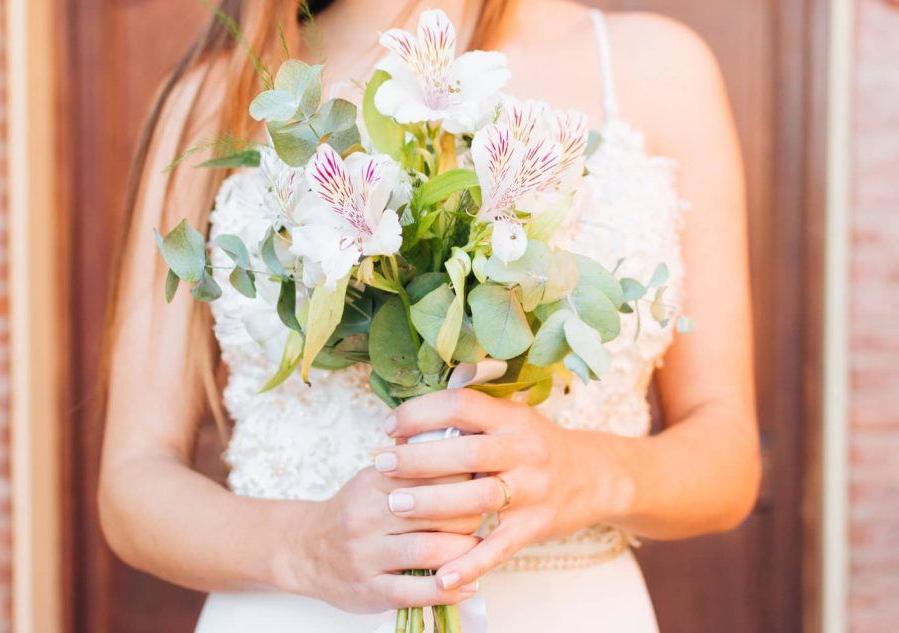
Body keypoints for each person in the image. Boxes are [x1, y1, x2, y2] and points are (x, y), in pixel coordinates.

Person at [99, 0, 759, 630]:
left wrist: (586, 474)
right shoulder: (214, 99)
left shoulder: (658, 70)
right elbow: (131, 484)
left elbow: (727, 452)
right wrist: (306, 545)